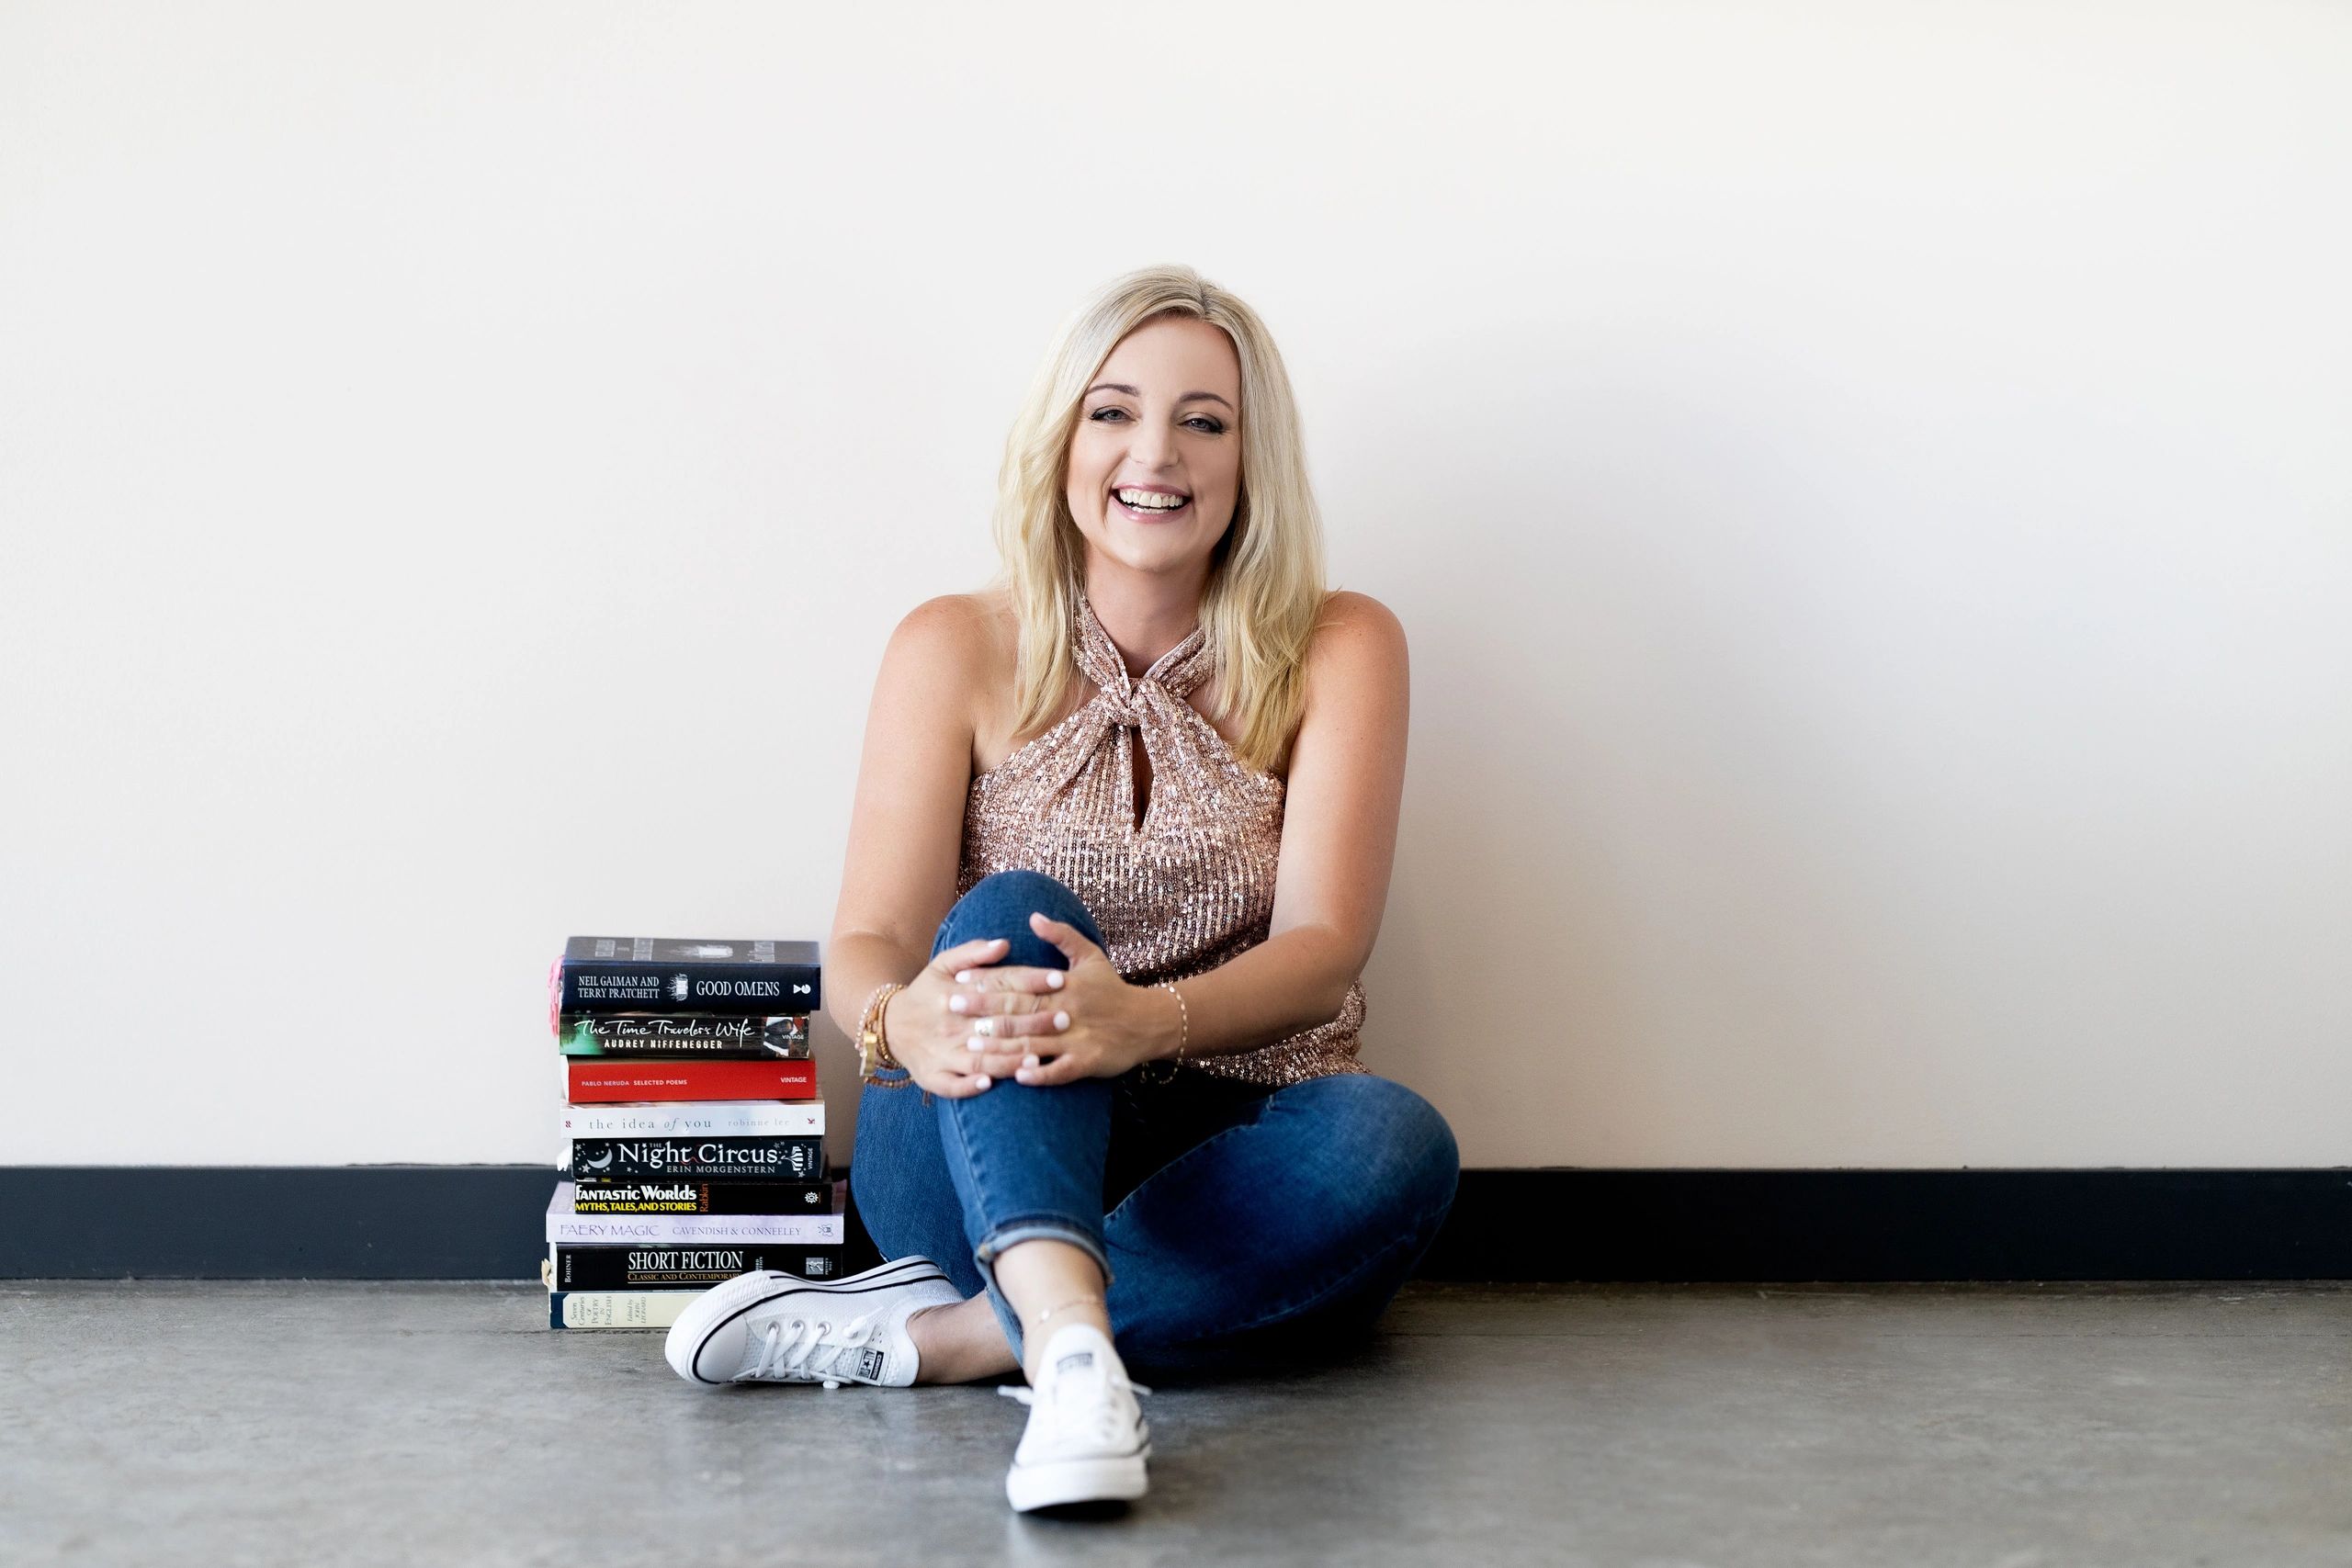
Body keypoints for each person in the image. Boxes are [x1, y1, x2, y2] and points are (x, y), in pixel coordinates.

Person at [662, 264, 1459, 1513]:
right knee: (1005, 911)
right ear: (1063, 440)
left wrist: (1149, 1021)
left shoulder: (1343, 643)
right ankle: (1081, 1336)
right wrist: (894, 1019)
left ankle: (978, 1338)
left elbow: (1325, 945)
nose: (1158, 452)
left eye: (1205, 420)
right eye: (1114, 411)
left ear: (1254, 462)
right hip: (981, 1131)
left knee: (1396, 1147)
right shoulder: (954, 644)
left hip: (1226, 1140)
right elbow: (869, 934)